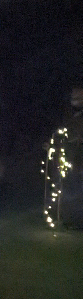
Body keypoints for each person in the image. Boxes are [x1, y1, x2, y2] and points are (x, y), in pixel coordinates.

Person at [59, 86, 83, 227]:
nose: (75, 99)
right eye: (74, 97)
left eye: (78, 97)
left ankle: (78, 221)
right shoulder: (68, 113)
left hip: (79, 155)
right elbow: (64, 129)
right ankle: (69, 219)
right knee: (69, 186)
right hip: (70, 156)